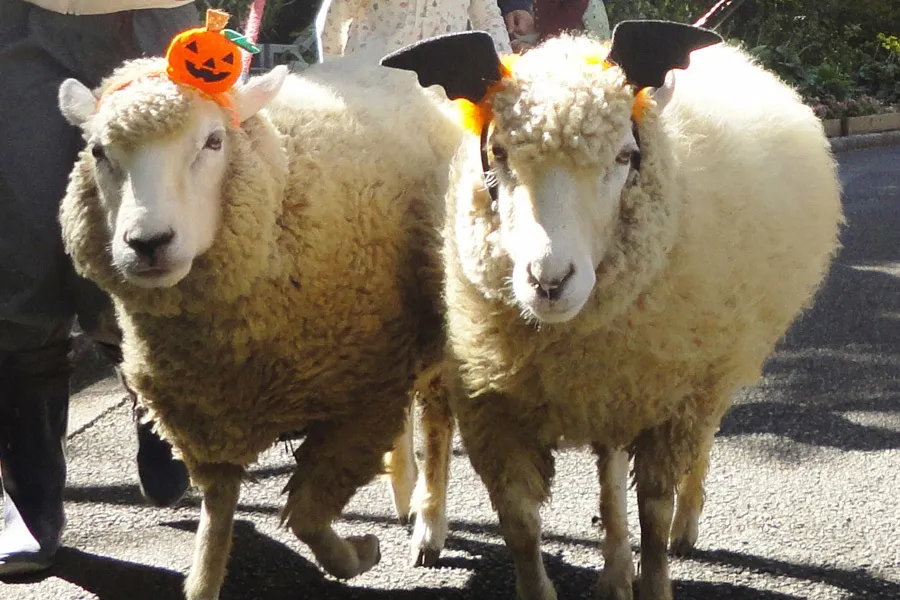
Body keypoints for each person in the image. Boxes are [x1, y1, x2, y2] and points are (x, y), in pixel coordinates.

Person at [0, 0, 197, 576]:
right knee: (22, 264)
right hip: (17, 24)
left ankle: (156, 400)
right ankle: (30, 504)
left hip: (151, 21)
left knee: (146, 239)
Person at [316, 0, 515, 60]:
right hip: (372, 79)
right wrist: (332, 71)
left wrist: (504, 70)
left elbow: (488, 18)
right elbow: (337, 17)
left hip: (438, 83)